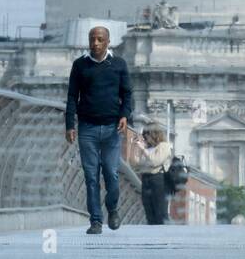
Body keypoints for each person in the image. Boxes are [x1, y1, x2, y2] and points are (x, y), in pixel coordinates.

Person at [64, 26, 133, 234]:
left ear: (108, 42)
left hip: (112, 129)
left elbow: (127, 94)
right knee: (91, 176)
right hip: (87, 129)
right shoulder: (80, 66)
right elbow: (71, 97)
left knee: (111, 173)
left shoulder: (119, 65)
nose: (95, 43)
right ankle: (95, 220)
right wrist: (70, 125)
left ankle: (112, 208)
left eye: (100, 39)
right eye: (92, 39)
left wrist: (124, 115)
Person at [130, 121, 173, 225]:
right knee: (149, 211)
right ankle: (152, 237)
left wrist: (143, 149)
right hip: (146, 179)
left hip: (159, 179)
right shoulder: (147, 148)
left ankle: (164, 238)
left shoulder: (164, 146)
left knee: (160, 212)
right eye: (144, 135)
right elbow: (134, 164)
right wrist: (134, 146)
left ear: (154, 134)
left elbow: (155, 161)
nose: (145, 138)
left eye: (146, 135)